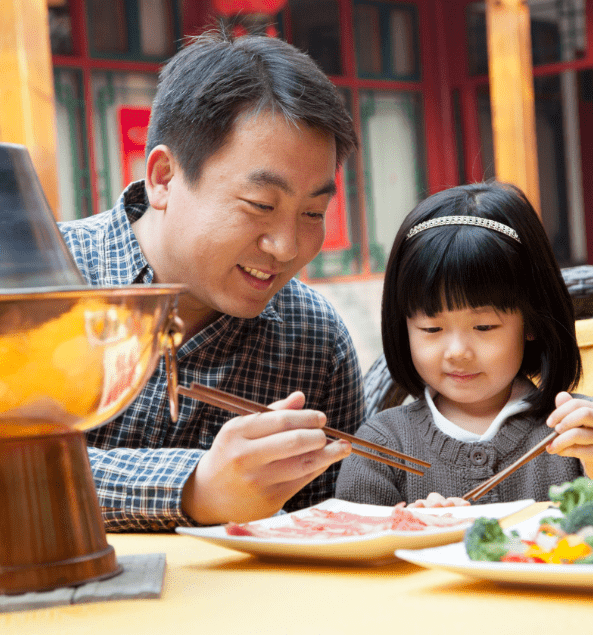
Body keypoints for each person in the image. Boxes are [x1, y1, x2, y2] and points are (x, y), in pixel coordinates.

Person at [59, 31, 364, 531]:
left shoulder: (315, 339)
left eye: (313, 211)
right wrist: (194, 488)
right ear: (163, 177)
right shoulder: (43, 285)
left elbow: (332, 525)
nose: (287, 247)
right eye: (261, 205)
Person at [335, 182, 593, 508]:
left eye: (483, 326)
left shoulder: (574, 428)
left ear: (530, 321)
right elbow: (346, 558)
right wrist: (409, 530)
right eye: (431, 329)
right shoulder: (382, 446)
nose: (457, 351)